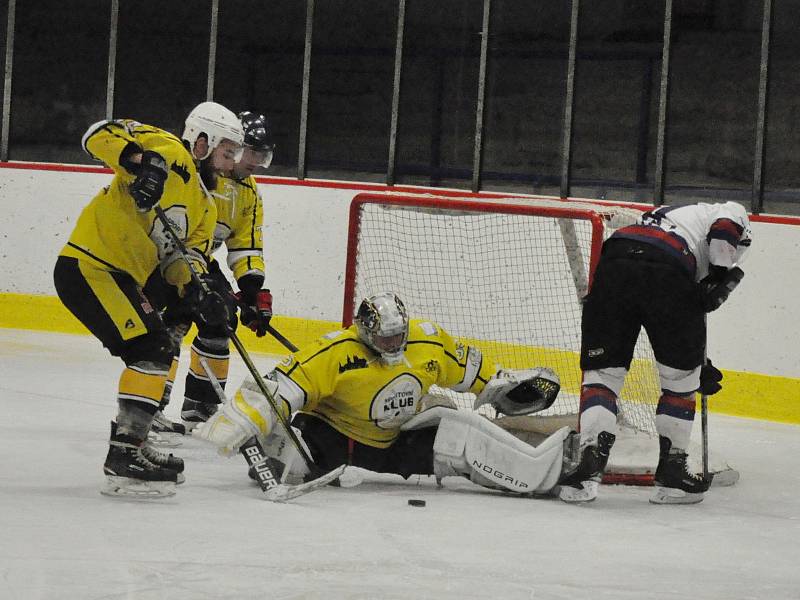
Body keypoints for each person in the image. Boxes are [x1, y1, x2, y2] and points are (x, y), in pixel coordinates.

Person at [193, 291, 581, 498]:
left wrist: (502, 390)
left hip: (395, 441)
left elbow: (474, 375)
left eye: (398, 335)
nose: (393, 344)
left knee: (461, 437)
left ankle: (545, 474)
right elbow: (277, 389)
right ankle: (275, 452)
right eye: (384, 337)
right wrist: (243, 424)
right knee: (291, 463)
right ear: (363, 331)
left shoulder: (427, 341)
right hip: (335, 439)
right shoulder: (335, 352)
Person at [53, 101, 245, 498]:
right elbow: (97, 134)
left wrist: (197, 290)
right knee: (153, 348)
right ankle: (124, 454)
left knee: (159, 345)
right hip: (91, 265)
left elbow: (181, 258)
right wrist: (139, 162)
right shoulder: (168, 149)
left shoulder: (206, 206)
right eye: (228, 153)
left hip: (121, 277)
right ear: (203, 142)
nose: (230, 165)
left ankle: (133, 443)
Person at [559, 201, 752, 504]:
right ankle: (672, 478)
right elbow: (725, 228)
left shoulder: (670, 214)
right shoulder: (731, 211)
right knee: (680, 381)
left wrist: (700, 361)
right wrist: (717, 274)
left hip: (615, 260)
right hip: (667, 267)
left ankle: (587, 470)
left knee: (603, 374)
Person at [149, 111, 276, 435]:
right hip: (161, 259)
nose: (256, 162)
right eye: (252, 153)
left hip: (201, 261)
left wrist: (250, 292)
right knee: (170, 327)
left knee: (221, 319)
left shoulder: (248, 192)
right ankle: (149, 406)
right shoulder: (199, 174)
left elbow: (246, 245)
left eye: (264, 156)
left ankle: (200, 407)